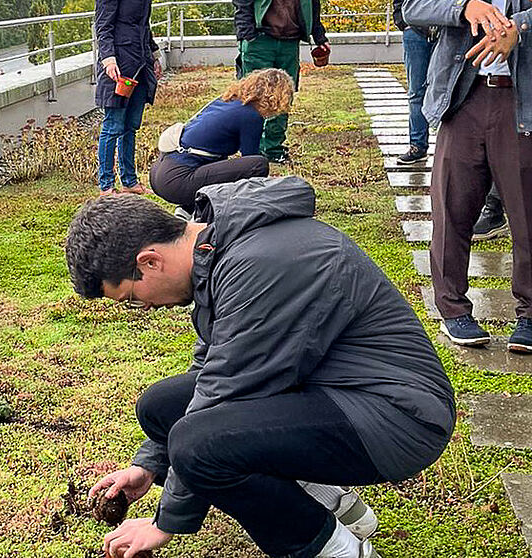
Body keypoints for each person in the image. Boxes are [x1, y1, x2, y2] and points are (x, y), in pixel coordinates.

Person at [65, 178, 455, 558]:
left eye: (132, 297)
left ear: (149, 261)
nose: (143, 307)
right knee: (162, 406)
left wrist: (164, 523)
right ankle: (334, 503)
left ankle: (341, 551)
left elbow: (219, 400)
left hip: (397, 417)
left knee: (198, 446)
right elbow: (209, 371)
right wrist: (148, 465)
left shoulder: (262, 264)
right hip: (335, 390)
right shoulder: (218, 251)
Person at [403, 0, 531, 350]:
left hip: (522, 100)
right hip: (462, 97)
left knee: (527, 214)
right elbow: (412, 6)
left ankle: (531, 315)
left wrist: (520, 28)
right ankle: (453, 309)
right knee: (451, 209)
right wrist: (464, 8)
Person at [149, 68, 292, 217]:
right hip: (177, 180)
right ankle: (239, 213)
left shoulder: (227, 100)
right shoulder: (251, 115)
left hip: (160, 173)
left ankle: (191, 209)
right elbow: (250, 162)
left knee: (225, 163)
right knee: (258, 164)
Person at [232, 0, 329, 164]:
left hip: (290, 41)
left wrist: (320, 37)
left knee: (284, 96)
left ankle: (273, 149)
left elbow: (313, 6)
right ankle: (251, 150)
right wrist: (247, 34)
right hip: (259, 40)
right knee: (253, 96)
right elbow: (241, 3)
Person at [95, 0, 163, 196]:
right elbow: (103, 26)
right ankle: (106, 186)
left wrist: (154, 55)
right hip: (118, 68)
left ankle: (129, 182)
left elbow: (144, 26)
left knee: (130, 126)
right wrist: (108, 59)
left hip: (140, 65)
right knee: (113, 126)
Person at [393, 0, 437, 165]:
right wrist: (403, 22)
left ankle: (448, 146)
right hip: (415, 31)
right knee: (416, 92)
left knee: (449, 89)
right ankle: (417, 146)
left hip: (448, 30)